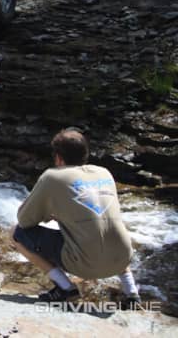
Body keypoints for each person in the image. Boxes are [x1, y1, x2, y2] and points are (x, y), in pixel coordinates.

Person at [11, 128, 140, 306]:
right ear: (86, 153)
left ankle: (65, 288)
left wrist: (49, 214)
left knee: (16, 234)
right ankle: (131, 291)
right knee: (108, 229)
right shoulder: (104, 173)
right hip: (123, 257)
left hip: (85, 265)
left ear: (58, 158)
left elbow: (25, 220)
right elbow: (97, 214)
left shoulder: (53, 177)